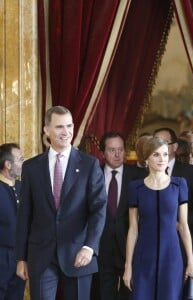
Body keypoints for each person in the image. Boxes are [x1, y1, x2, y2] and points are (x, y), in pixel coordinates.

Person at [15, 106, 107, 300]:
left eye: (69, 126)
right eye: (59, 127)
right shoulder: (31, 167)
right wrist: (21, 257)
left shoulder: (89, 165)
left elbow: (98, 210)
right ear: (46, 130)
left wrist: (89, 246)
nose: (66, 132)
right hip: (41, 255)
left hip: (79, 254)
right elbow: (25, 214)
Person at [123, 136, 193, 299]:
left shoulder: (179, 184)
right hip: (144, 257)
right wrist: (128, 266)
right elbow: (133, 229)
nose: (162, 159)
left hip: (171, 257)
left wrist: (191, 262)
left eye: (165, 154)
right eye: (156, 155)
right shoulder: (135, 187)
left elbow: (184, 226)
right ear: (146, 158)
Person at [153, 127, 193, 298]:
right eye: (155, 142)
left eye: (163, 143)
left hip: (182, 246)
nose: (158, 147)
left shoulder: (191, 173)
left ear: (174, 147)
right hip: (152, 247)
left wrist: (180, 223)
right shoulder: (144, 174)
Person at [97, 131, 141, 300]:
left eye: (120, 150)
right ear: (102, 153)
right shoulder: (93, 175)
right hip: (101, 248)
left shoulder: (138, 177)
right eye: (112, 150)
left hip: (130, 249)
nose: (117, 154)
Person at [0, 143, 26, 300]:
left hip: (20, 258)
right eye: (20, 159)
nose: (24, 162)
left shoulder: (23, 187)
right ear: (8, 164)